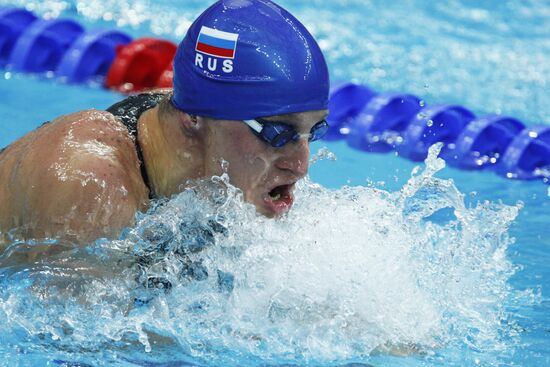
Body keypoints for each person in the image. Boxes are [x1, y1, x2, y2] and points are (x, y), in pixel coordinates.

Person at [0, 0, 329, 249]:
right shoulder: (90, 186)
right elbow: (62, 337)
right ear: (195, 118)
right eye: (276, 133)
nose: (300, 165)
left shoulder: (196, 130)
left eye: (312, 132)